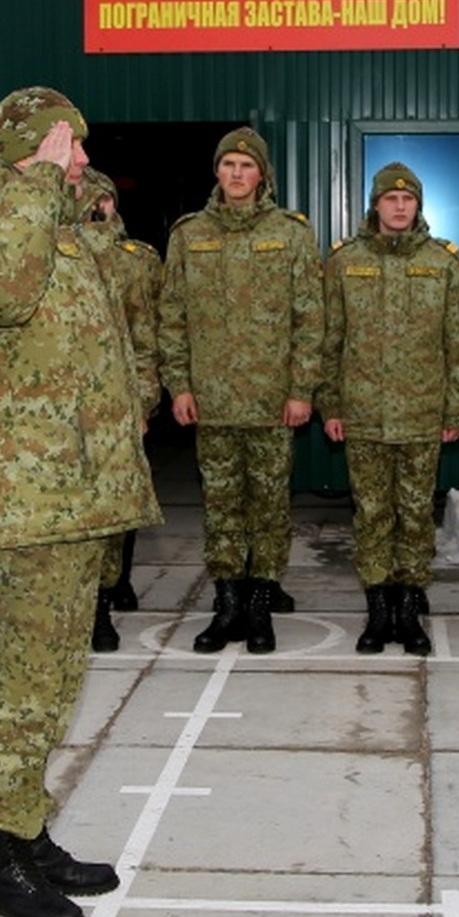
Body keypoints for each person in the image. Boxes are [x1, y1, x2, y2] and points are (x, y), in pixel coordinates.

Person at [0, 86, 161, 917]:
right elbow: (4, 294)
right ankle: (1, 857)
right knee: (18, 683)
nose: (81, 159)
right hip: (22, 495)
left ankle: (28, 829)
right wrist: (36, 181)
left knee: (54, 678)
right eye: (70, 145)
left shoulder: (47, 219)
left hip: (72, 492)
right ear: (36, 146)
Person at [158, 126, 323, 653]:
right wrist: (178, 386)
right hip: (213, 401)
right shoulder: (188, 234)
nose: (236, 174)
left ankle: (259, 607)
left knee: (270, 507)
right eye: (228, 164)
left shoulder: (292, 233)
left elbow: (309, 318)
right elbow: (172, 318)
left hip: (273, 403)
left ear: (261, 174)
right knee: (223, 506)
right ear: (216, 172)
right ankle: (227, 603)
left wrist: (301, 390)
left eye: (246, 166)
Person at [318, 162, 459, 655]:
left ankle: (409, 610)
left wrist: (457, 409)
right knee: (371, 515)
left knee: (413, 515)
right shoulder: (344, 261)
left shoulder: (445, 262)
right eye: (391, 199)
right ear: (376, 205)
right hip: (362, 412)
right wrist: (330, 403)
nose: (400, 207)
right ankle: (377, 611)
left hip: (421, 413)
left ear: (418, 206)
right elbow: (331, 339)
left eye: (408, 200)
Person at [80, 168, 163, 650]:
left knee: (114, 507)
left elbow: (145, 337)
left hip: (116, 405)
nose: (97, 206)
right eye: (88, 197)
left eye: (104, 198)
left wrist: (144, 400)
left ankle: (104, 601)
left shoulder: (135, 261)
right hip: (60, 407)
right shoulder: (53, 250)